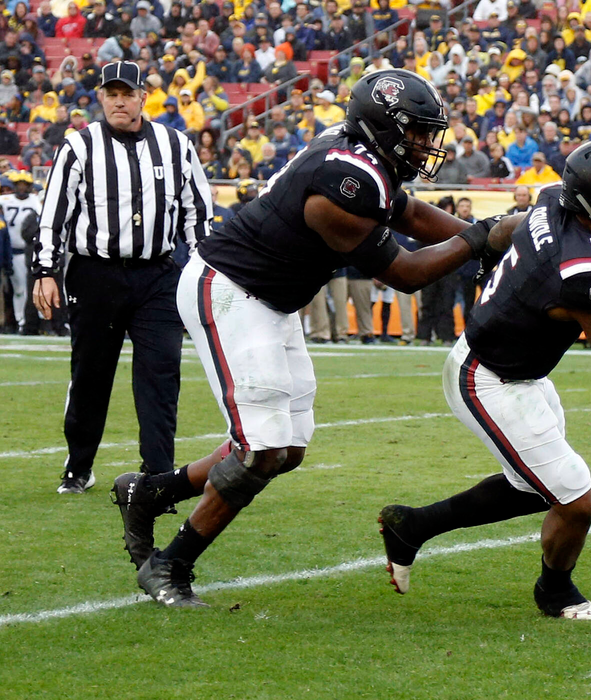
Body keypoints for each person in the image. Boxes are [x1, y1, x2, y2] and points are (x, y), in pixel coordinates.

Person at [109, 70, 521, 607]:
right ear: (383, 127)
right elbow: (405, 273)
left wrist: (493, 243)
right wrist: (481, 236)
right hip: (231, 288)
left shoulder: (364, 157)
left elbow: (412, 213)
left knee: (288, 449)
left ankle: (150, 491)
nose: (425, 143)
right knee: (261, 451)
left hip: (272, 299)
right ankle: (171, 565)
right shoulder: (343, 184)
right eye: (417, 131)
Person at [376, 139, 591, 620]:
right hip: (488, 377)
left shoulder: (553, 201)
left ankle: (412, 526)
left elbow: (506, 227)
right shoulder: (586, 270)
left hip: (519, 371)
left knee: (535, 486)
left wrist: (488, 255)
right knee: (575, 498)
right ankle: (556, 591)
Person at [32, 62, 214, 496]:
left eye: (127, 94)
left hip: (157, 275)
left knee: (161, 372)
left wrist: (205, 269)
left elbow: (197, 212)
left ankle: (158, 473)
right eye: (111, 93)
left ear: (142, 97)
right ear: (100, 97)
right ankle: (79, 466)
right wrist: (46, 270)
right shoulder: (79, 145)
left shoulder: (176, 144)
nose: (118, 101)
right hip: (95, 274)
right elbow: (54, 212)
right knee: (91, 373)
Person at [0, 170, 40, 335]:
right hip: (12, 251)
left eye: (25, 185)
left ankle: (25, 321)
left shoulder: (35, 201)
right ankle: (19, 320)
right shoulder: (5, 200)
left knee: (25, 289)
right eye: (19, 185)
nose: (22, 188)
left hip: (29, 250)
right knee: (18, 289)